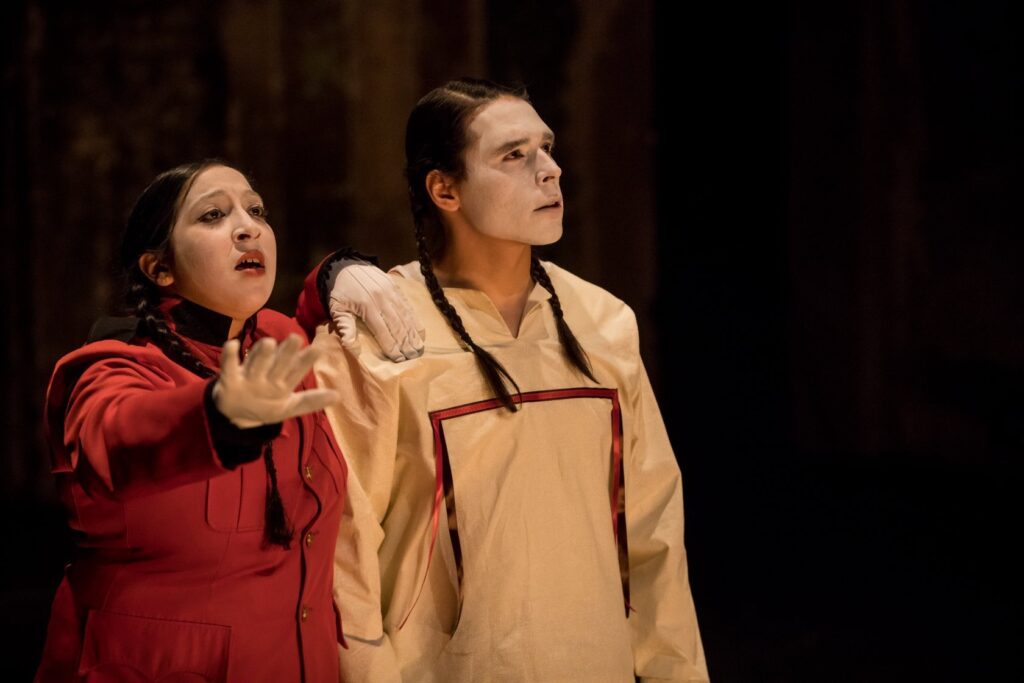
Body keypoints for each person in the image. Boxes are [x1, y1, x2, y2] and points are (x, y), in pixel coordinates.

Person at [301, 79, 709, 682]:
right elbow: (343, 541)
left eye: (547, 148)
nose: (550, 171)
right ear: (444, 188)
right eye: (513, 156)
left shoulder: (604, 322)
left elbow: (652, 529)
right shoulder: (380, 332)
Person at [36, 160, 385, 682]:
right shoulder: (111, 365)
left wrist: (336, 272)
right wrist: (218, 414)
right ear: (159, 269)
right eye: (214, 215)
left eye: (256, 210)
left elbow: (308, 312)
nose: (248, 226)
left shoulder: (274, 339)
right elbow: (116, 435)